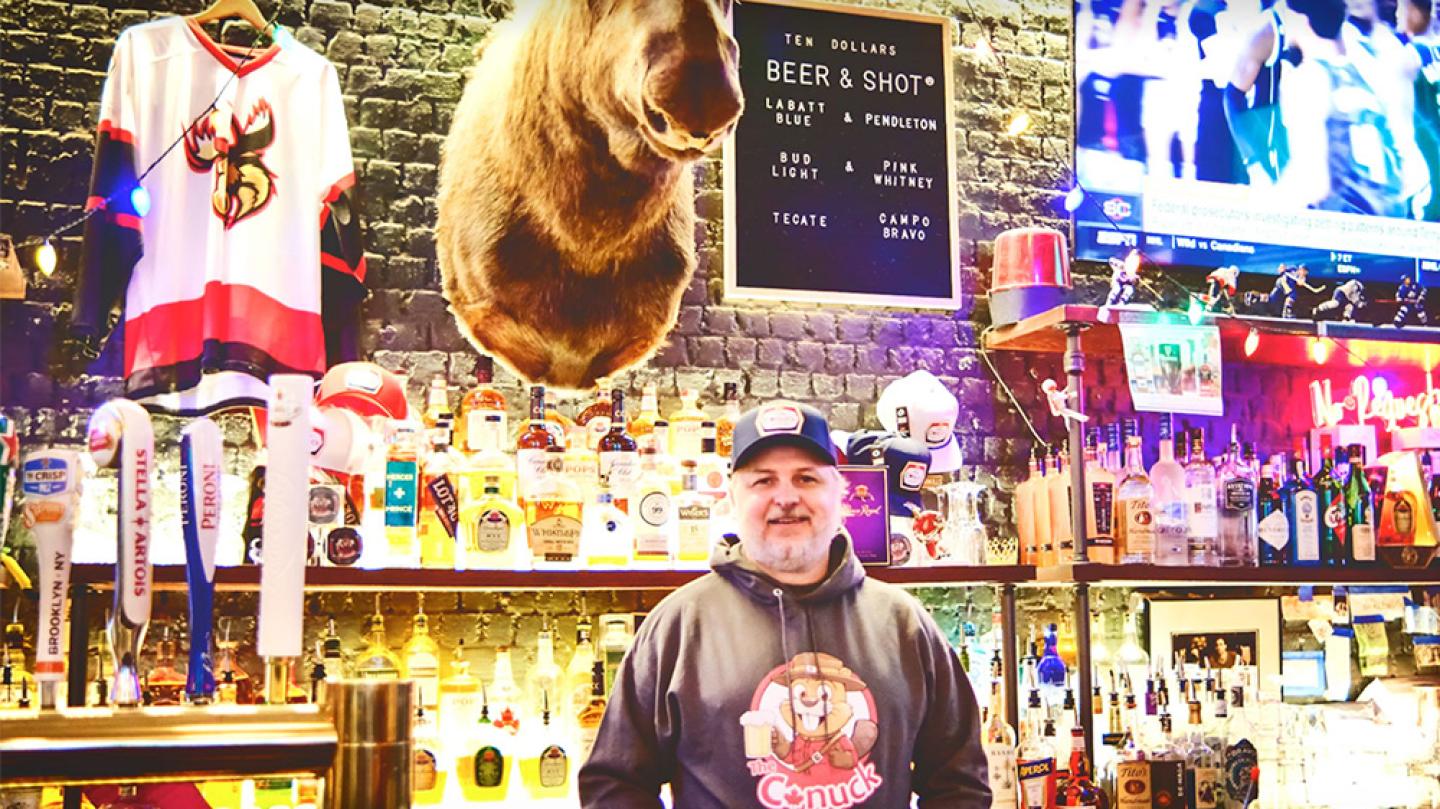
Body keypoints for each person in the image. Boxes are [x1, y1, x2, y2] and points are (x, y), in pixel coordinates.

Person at [579, 400, 990, 808]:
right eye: (763, 481)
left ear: (839, 491)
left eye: (807, 479)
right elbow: (614, 785)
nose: (786, 497)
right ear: (734, 496)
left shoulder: (904, 624)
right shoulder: (678, 626)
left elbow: (961, 781)